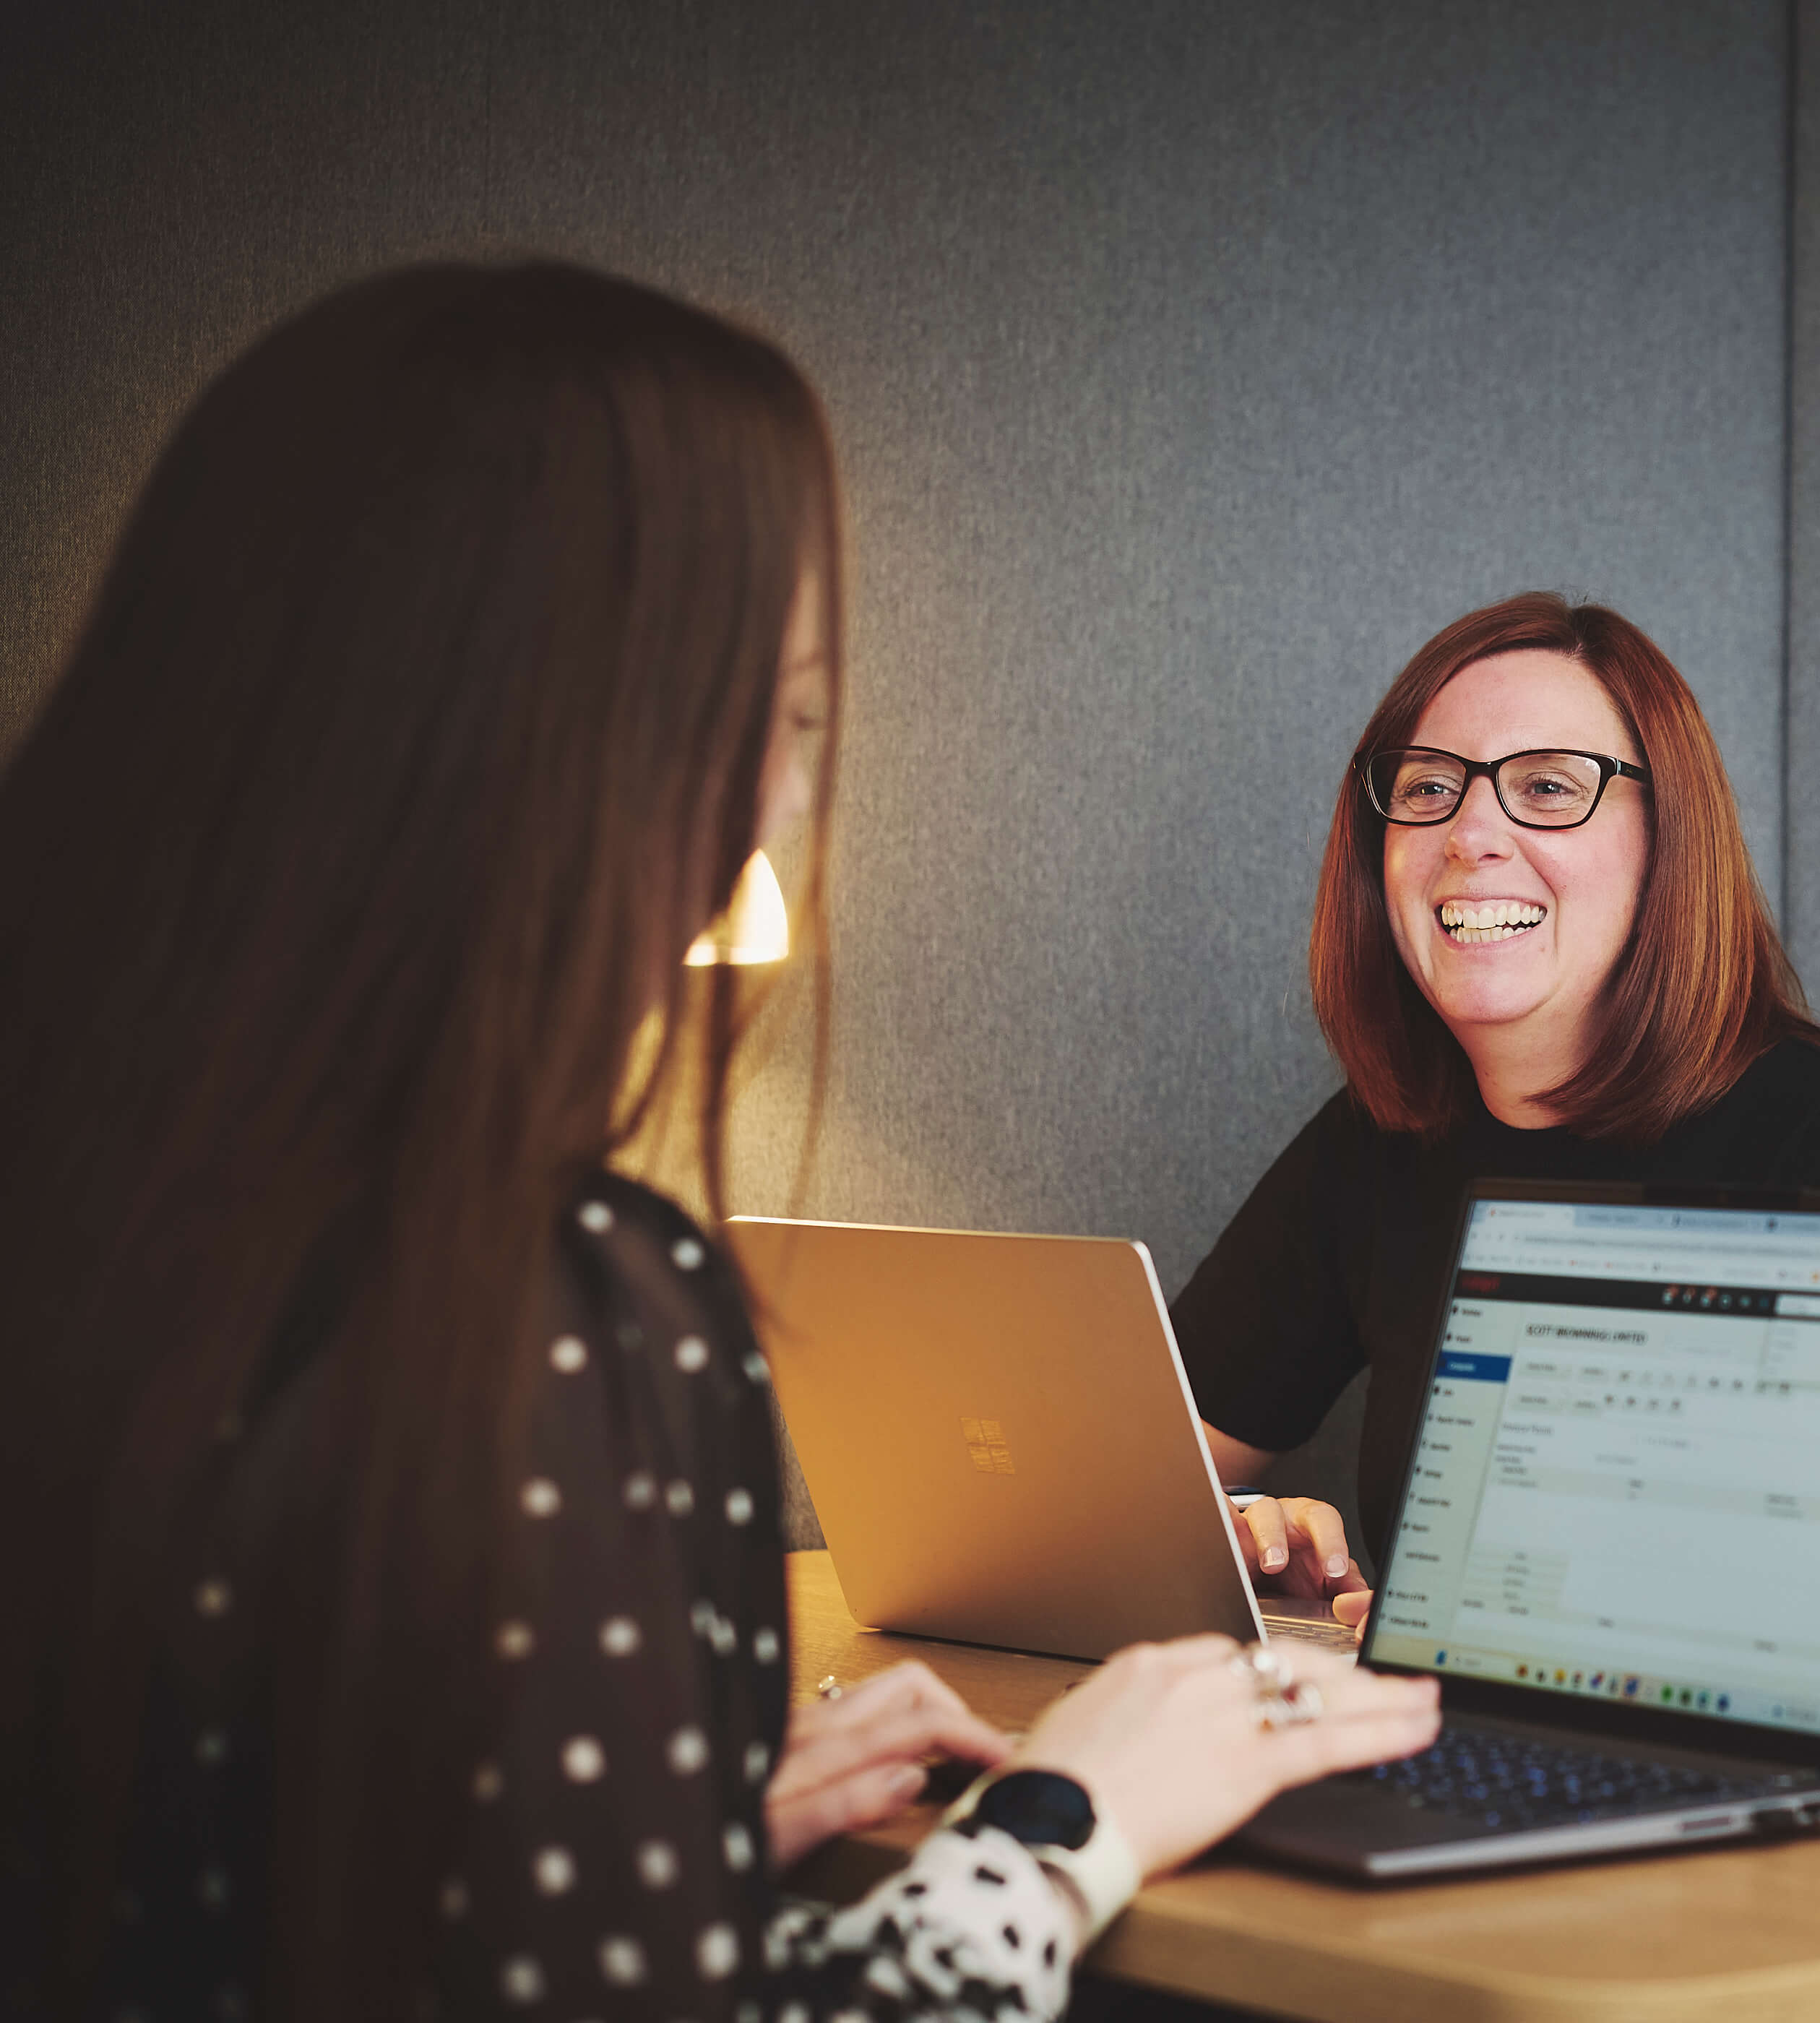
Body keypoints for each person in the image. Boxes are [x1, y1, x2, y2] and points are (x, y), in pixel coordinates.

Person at [0, 262, 1436, 2023]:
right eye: (797, 713)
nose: (785, 799)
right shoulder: (518, 1304)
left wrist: (613, 1857)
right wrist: (1072, 1817)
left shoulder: (99, 1209)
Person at [1178, 594, 1820, 1684]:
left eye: (1549, 787)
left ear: (1670, 847)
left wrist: (1506, 1646)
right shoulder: (1379, 1141)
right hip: (1437, 1771)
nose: (1470, 833)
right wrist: (1233, 1555)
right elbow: (1131, 1482)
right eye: (1429, 788)